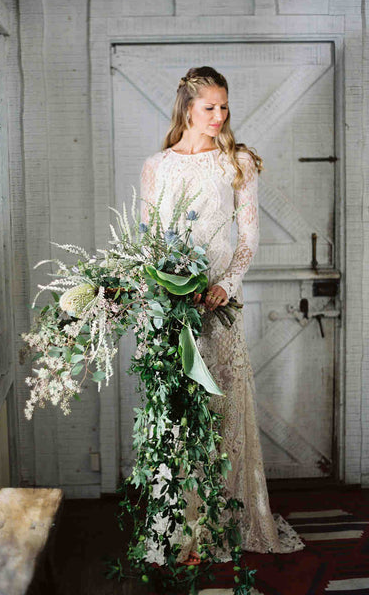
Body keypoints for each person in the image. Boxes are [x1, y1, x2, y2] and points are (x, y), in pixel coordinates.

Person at [139, 66, 306, 565]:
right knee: (175, 422)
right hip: (170, 314)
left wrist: (223, 287)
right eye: (209, 107)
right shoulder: (156, 166)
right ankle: (178, 532)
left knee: (223, 417)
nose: (219, 116)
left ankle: (223, 524)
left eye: (224, 107)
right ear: (187, 108)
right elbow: (148, 241)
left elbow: (249, 241)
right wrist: (163, 292)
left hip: (218, 309)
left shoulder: (238, 162)